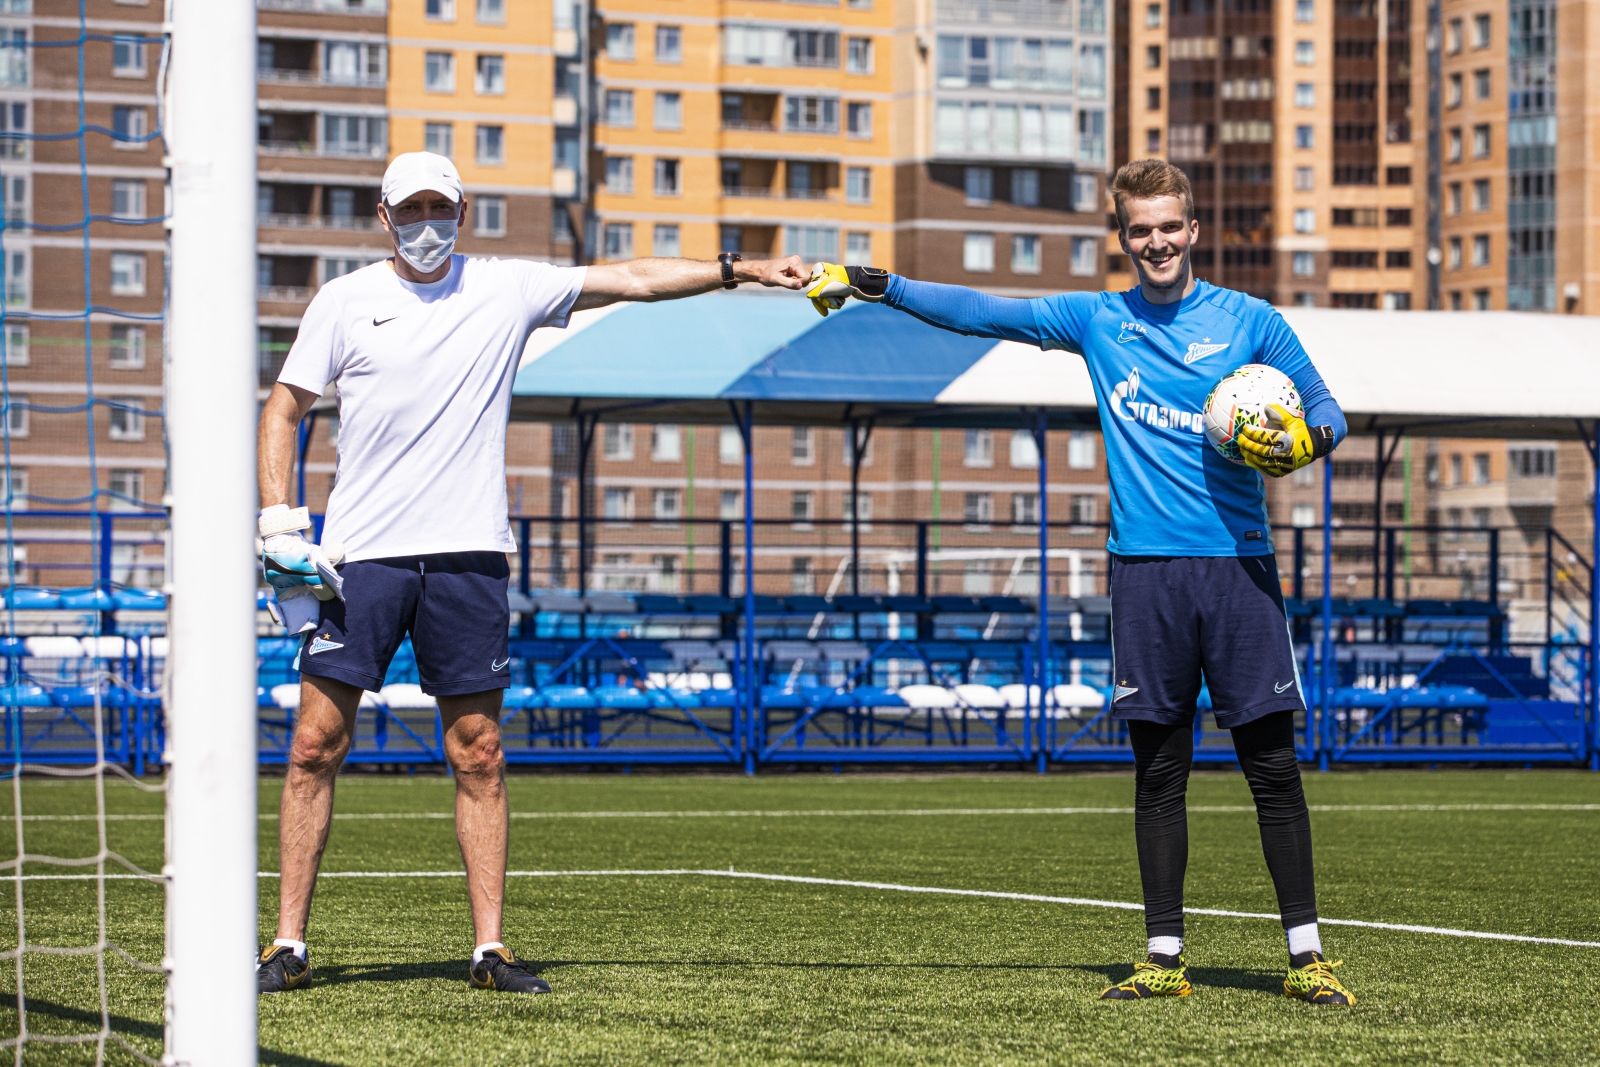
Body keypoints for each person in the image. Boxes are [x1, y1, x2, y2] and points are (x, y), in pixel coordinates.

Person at [803, 158, 1356, 1006]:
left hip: (1239, 570)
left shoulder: (1252, 321)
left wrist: (1294, 445)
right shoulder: (1100, 320)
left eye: (1171, 225)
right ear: (1125, 237)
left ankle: (1307, 957)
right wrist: (883, 284)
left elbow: (1329, 413)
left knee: (1271, 766)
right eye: (1141, 229)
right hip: (1144, 573)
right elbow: (989, 312)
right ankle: (1163, 959)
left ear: (1193, 229)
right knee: (1158, 770)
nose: (1158, 241)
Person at [254, 151, 807, 995]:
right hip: (359, 556)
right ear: (384, 215)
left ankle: (489, 948)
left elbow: (635, 279)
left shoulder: (506, 288)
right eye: (412, 210)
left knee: (478, 752)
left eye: (441, 207)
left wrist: (744, 269)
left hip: (470, 554)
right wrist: (278, 519)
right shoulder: (344, 300)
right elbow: (284, 406)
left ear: (464, 211)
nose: (427, 223)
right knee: (311, 746)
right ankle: (286, 943)